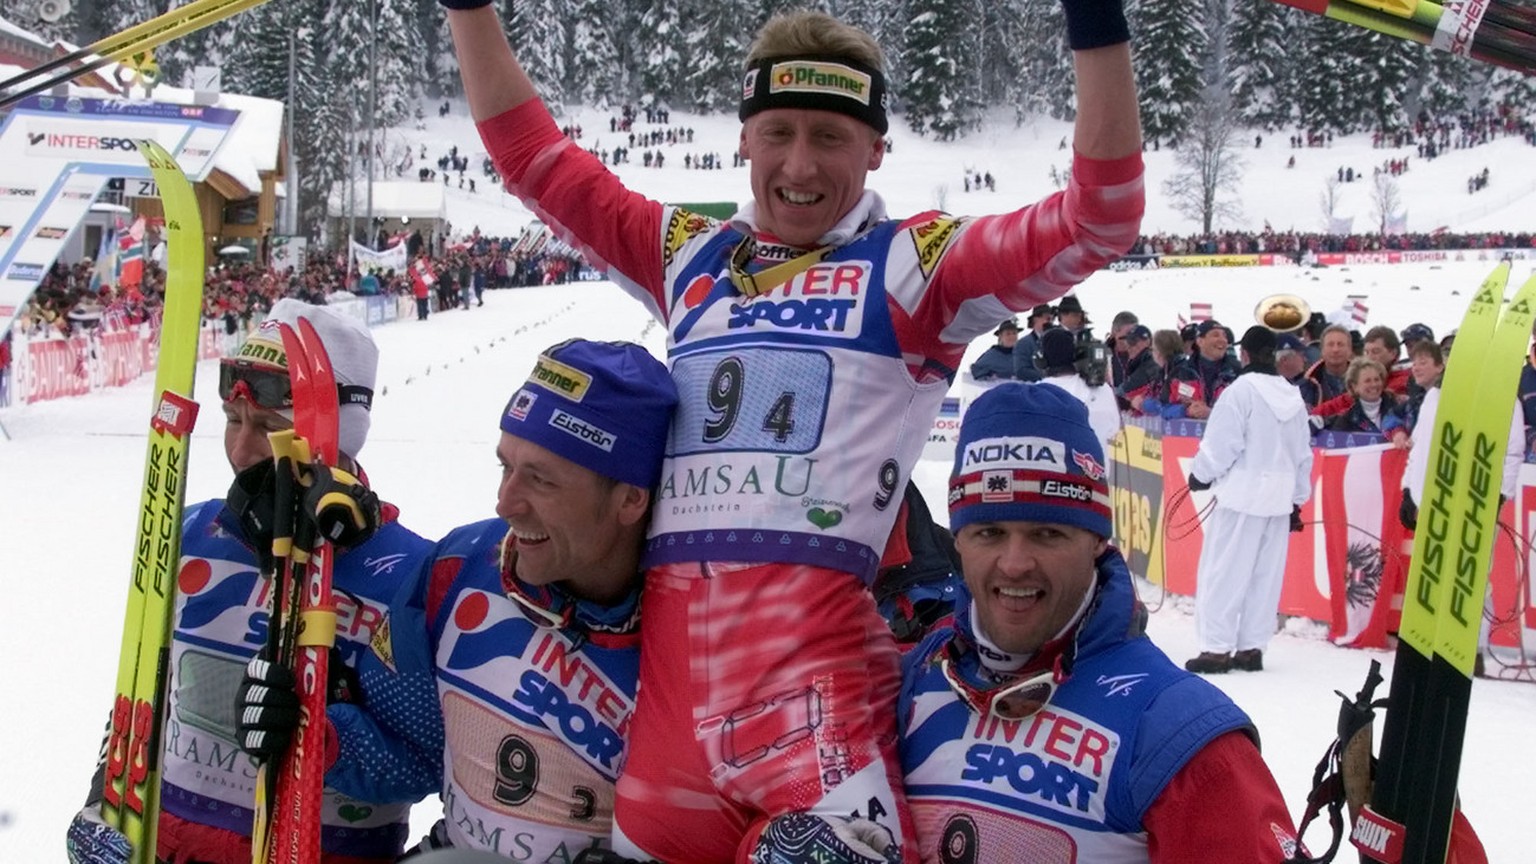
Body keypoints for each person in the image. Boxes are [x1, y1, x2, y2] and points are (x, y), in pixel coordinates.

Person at [444, 0, 1144, 858]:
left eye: (831, 137)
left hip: (820, 753)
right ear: (743, 139)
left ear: (877, 148)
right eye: (777, 133)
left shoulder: (915, 267)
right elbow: (531, 158)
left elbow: (1101, 216)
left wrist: (1096, 21)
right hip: (666, 760)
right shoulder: (687, 255)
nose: (800, 165)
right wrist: (468, 9)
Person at [275, 340, 679, 859]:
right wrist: (313, 736)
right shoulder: (458, 569)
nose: (505, 502)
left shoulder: (701, 627)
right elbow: (410, 756)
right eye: (505, 467)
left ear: (630, 497)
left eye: (541, 479)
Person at [67, 300, 434, 864]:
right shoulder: (191, 531)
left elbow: (423, 763)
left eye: (268, 427)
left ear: (339, 432)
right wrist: (106, 798)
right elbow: (144, 692)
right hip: (168, 845)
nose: (240, 450)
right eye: (232, 420)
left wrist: (325, 736)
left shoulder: (409, 572)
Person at [899, 383, 1304, 861]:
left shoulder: (1176, 733)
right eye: (989, 532)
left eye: (1047, 533)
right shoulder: (914, 675)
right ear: (959, 541)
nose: (1014, 563)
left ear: (1096, 542)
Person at [1185, 326, 1313, 674]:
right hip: (1279, 497)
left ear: (1244, 353)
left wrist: (1200, 474)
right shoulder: (1292, 395)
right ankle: (1252, 647)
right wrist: (1297, 500)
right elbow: (1303, 454)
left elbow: (1222, 444)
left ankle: (1216, 648)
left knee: (1223, 571)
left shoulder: (1240, 392)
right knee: (1264, 575)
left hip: (1242, 494)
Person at [1398, 341, 1521, 680]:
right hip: (1433, 500)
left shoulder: (1501, 395)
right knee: (1433, 571)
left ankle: (1474, 650)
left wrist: (1499, 494)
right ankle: (1430, 641)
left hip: (1475, 501)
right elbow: (1420, 446)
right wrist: (1408, 490)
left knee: (1472, 576)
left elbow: (1512, 451)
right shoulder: (1436, 396)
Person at [1037, 327, 1120, 451]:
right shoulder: (1102, 389)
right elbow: (1113, 429)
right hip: (1096, 468)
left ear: (1041, 360)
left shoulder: (1036, 394)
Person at [1161, 320, 1239, 419]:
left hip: (1224, 433)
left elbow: (1247, 413)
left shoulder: (1237, 373)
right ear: (1200, 341)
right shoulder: (1180, 372)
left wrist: (1213, 413)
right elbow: (1162, 409)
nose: (1222, 339)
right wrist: (1185, 410)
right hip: (1188, 433)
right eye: (1215, 335)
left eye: (1224, 336)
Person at [1328, 357, 1407, 445]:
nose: (1374, 385)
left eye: (1377, 379)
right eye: (1367, 381)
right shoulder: (1346, 421)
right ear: (1354, 387)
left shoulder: (1400, 407)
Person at [1299, 324, 1354, 412]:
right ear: (1322, 350)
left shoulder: (1365, 380)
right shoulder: (1307, 385)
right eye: (1330, 344)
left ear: (1350, 350)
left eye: (1340, 344)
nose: (1335, 349)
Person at [1111, 323, 1153, 410]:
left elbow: (1124, 389)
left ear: (1147, 342)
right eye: (1127, 342)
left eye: (1133, 342)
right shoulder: (1135, 363)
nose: (1129, 346)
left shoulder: (1152, 363)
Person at [1011, 303, 1055, 382]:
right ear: (1035, 319)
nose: (1050, 322)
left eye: (1051, 319)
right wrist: (1047, 376)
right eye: (1047, 318)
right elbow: (1021, 371)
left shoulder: (1057, 340)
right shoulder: (1023, 344)